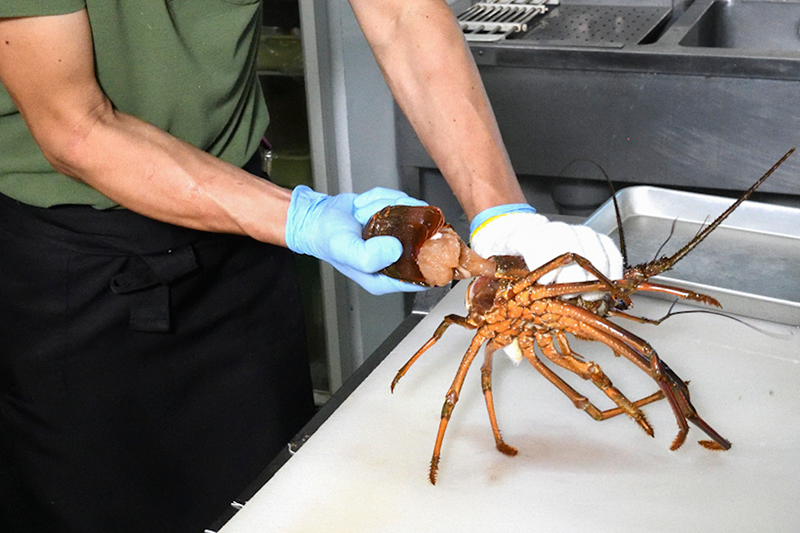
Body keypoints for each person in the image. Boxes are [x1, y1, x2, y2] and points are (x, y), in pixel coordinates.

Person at [0, 1, 622, 532]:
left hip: (241, 231)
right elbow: (74, 127)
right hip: (71, 268)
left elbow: (402, 14)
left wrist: (501, 214)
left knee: (279, 500)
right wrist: (301, 217)